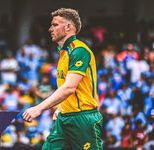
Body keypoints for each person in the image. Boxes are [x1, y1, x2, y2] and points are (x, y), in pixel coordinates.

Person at [22, 8, 103, 149]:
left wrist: (39, 108)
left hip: (82, 119)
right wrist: (62, 106)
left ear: (68, 27)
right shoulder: (64, 53)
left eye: (55, 25)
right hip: (64, 118)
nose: (50, 29)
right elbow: (77, 88)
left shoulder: (79, 50)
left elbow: (70, 87)